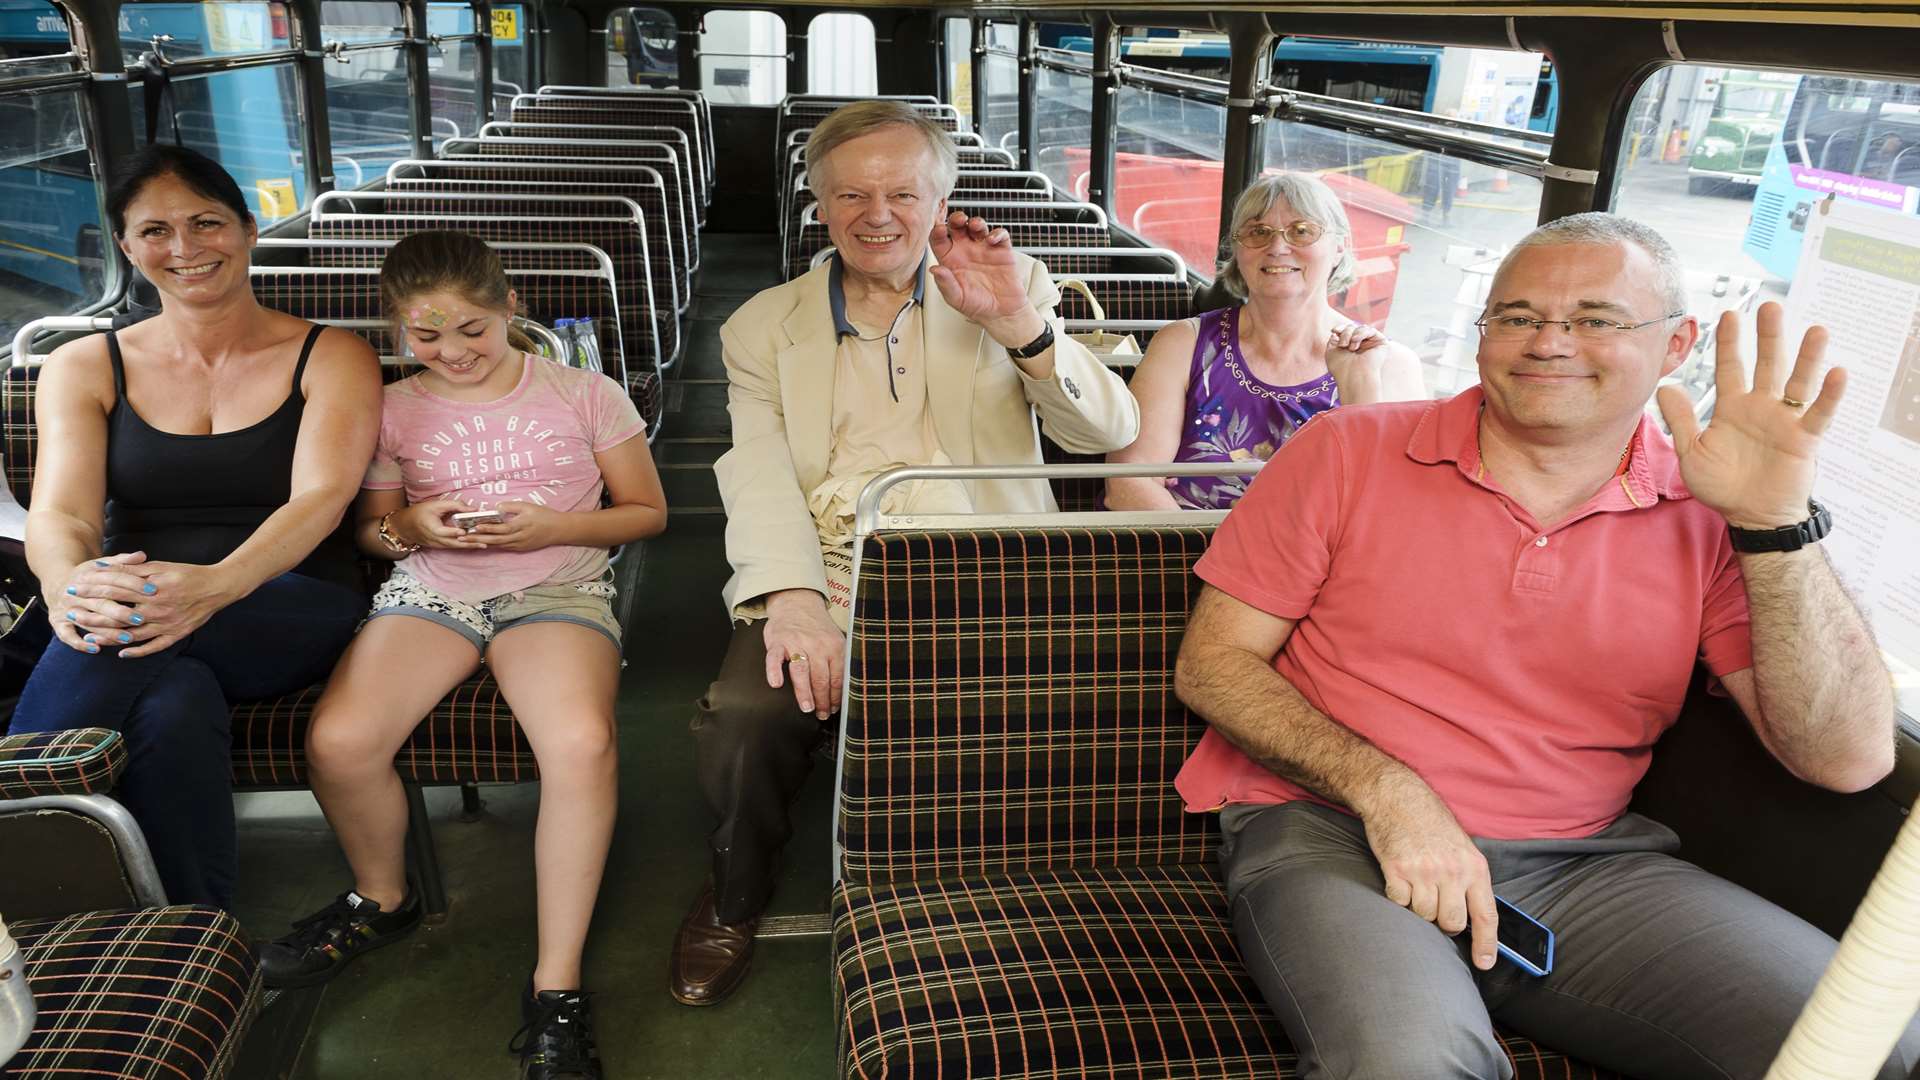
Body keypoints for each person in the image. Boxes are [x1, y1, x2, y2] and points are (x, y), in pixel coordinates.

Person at [1172, 212, 1920, 1078]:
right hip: (1337, 827)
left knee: (1871, 1045)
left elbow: (1848, 760)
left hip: (1582, 863)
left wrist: (1775, 523)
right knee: (1408, 1063)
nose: (1548, 343)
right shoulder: (1346, 450)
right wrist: (1392, 791)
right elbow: (1213, 662)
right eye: (1519, 316)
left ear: (1676, 344)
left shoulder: (1711, 513)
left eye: (1595, 319)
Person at [672, 99, 1139, 1006]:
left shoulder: (1013, 283)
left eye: (902, 192)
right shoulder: (761, 327)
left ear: (942, 197)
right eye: (851, 193)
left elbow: (1101, 433)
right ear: (818, 203)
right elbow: (761, 470)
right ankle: (735, 890)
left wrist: (1018, 326)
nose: (877, 214)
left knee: (1053, 700)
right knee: (747, 712)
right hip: (836, 560)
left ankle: (1004, 896)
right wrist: (795, 601)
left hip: (985, 560)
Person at [255, 231, 666, 1080]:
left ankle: (557, 987)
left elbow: (645, 513)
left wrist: (558, 526)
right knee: (338, 742)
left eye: (472, 329)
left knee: (581, 746)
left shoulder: (585, 393)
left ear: (509, 305)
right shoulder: (393, 407)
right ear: (400, 331)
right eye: (427, 335)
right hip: (434, 590)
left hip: (555, 588)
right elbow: (374, 532)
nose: (453, 352)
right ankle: (383, 895)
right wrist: (413, 527)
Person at [8, 145, 381, 909]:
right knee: (172, 699)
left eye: (206, 223)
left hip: (288, 597)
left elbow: (320, 500)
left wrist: (213, 588)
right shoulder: (84, 364)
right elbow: (63, 515)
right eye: (154, 231)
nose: (184, 249)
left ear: (247, 230)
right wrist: (67, 584)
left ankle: (11, 844)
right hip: (134, 611)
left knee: (124, 630)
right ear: (125, 246)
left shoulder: (330, 356)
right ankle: (189, 928)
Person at [1105, 172, 1425, 510]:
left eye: (1302, 231)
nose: (1277, 247)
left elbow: (1387, 508)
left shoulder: (1389, 366)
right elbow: (1129, 481)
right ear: (1238, 250)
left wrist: (1360, 391)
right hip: (1180, 547)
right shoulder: (1183, 345)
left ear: (1339, 247)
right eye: (1258, 232)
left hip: (1318, 560)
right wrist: (1221, 561)